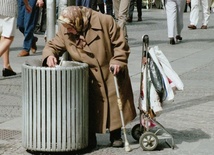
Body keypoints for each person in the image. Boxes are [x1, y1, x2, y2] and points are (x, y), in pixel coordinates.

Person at [42, 6, 136, 150]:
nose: (68, 31)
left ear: (78, 22)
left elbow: (120, 44)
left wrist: (118, 60)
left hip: (108, 70)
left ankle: (116, 134)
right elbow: (54, 45)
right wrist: (50, 55)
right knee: (89, 107)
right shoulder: (66, 28)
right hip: (87, 76)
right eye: (66, 27)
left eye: (70, 28)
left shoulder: (105, 21)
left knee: (113, 104)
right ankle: (89, 136)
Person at [0, 0, 31, 77]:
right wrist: (27, 4)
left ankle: (7, 66)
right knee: (8, 37)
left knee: (4, 36)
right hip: (8, 7)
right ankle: (6, 66)